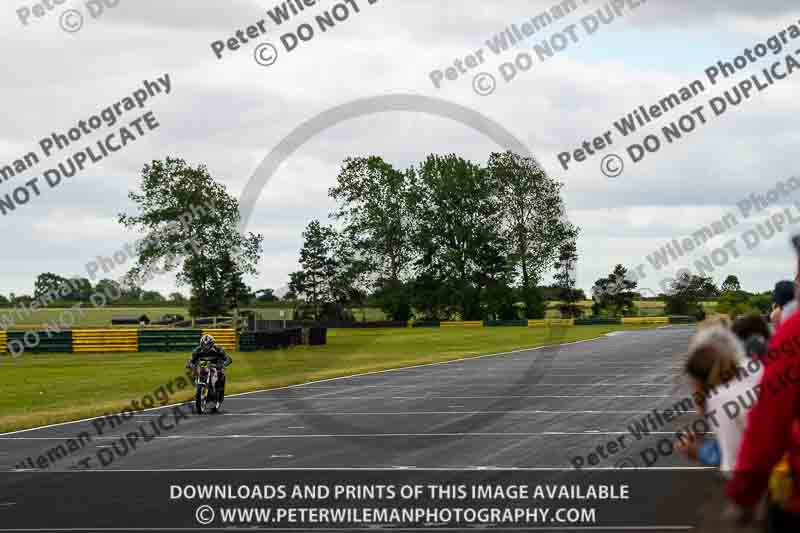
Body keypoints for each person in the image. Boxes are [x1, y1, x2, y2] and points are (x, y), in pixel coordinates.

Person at [678, 325, 761, 477]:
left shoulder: (721, 397)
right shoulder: (754, 369)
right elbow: (746, 442)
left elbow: (737, 467)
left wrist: (698, 452)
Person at [186, 334, 233, 410]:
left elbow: (228, 358)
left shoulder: (218, 349)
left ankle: (219, 396)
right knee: (193, 373)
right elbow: (190, 360)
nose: (206, 347)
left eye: (208, 345)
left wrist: (224, 364)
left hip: (216, 367)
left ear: (212, 344)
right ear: (201, 344)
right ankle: (200, 390)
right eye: (204, 345)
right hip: (203, 367)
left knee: (221, 375)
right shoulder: (197, 350)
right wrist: (189, 364)